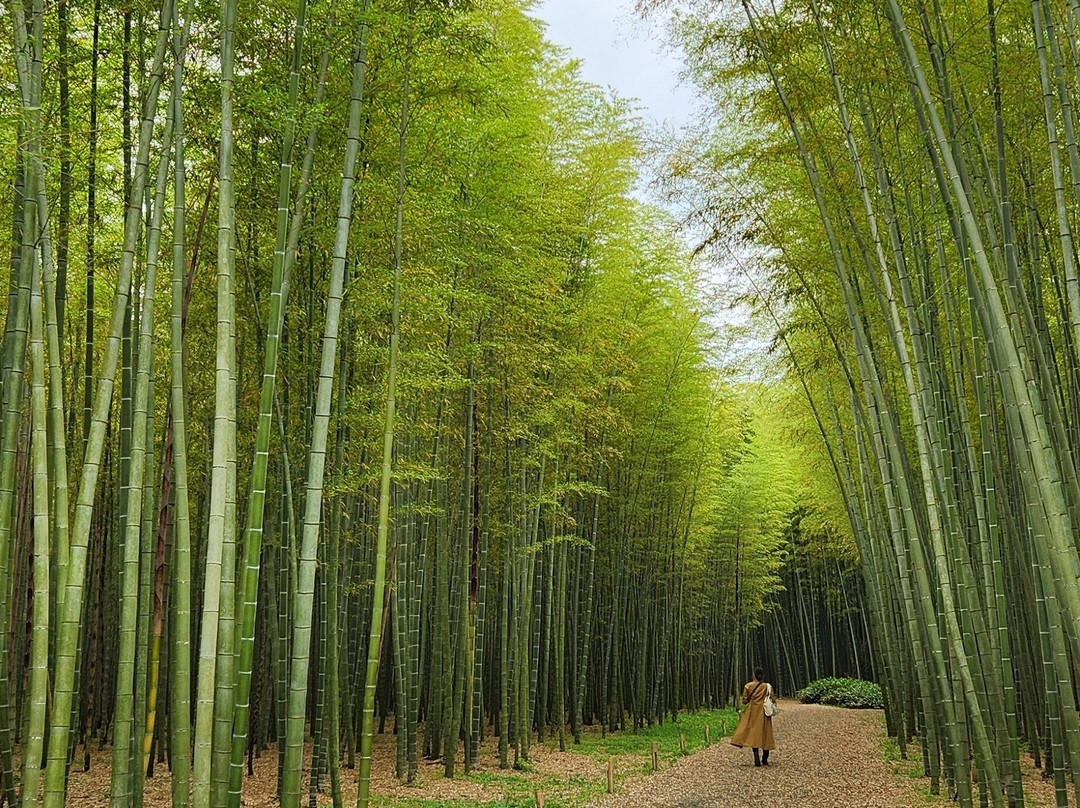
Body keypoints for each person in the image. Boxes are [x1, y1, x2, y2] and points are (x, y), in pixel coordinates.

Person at [729, 666, 775, 766]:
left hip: (752, 712)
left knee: (754, 734)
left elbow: (745, 701)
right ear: (763, 676)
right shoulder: (768, 686)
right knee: (765, 733)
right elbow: (773, 699)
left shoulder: (748, 686)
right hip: (764, 712)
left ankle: (756, 757)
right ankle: (765, 758)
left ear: (753, 675)